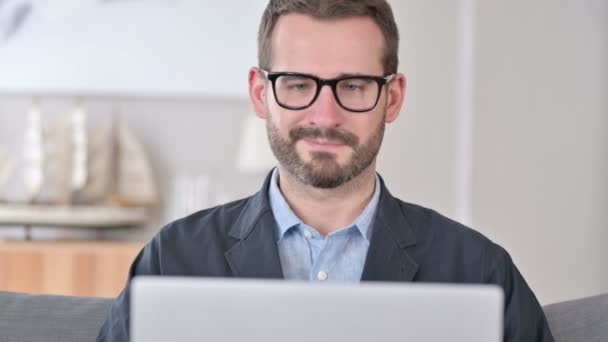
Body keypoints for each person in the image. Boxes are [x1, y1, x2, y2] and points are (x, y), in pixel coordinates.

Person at [97, 1, 554, 341]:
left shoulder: (479, 272)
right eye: (298, 84)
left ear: (392, 98)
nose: (325, 115)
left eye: (353, 86)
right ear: (260, 93)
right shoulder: (173, 261)